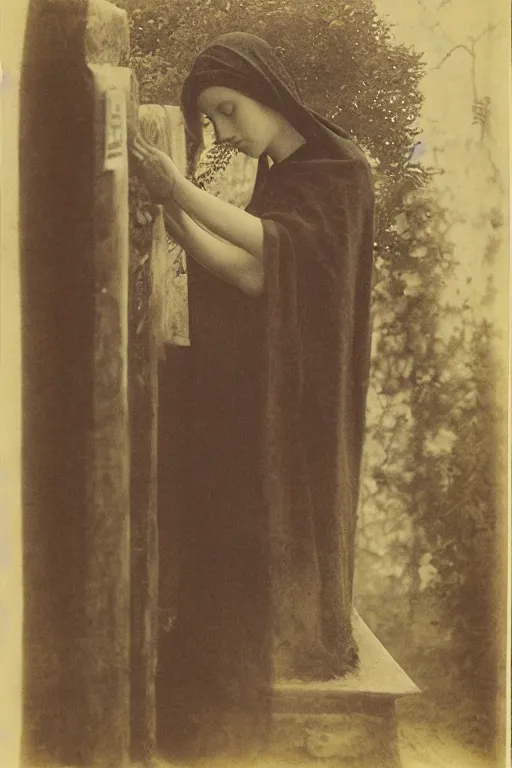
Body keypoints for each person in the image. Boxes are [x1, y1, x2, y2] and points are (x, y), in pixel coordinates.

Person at [131, 31, 375, 762]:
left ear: (267, 91)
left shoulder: (341, 169)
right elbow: (248, 278)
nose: (226, 133)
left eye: (229, 111)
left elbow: (279, 251)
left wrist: (180, 191)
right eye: (213, 121)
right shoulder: (282, 173)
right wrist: (174, 215)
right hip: (263, 398)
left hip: (306, 401)